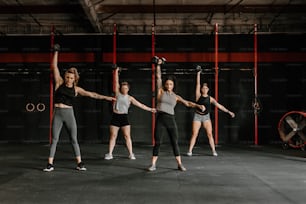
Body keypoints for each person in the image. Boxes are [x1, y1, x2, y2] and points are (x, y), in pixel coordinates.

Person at [43, 44, 115, 172]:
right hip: (58, 113)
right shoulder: (59, 82)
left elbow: (92, 94)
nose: (69, 79)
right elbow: (54, 66)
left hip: (69, 113)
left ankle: (79, 163)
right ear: (65, 76)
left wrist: (107, 98)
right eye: (67, 77)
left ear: (75, 79)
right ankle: (50, 164)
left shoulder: (76, 89)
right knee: (54, 139)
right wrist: (56, 52)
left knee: (74, 139)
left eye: (71, 78)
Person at [147, 58, 205, 172]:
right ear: (165, 84)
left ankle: (179, 164)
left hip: (171, 119)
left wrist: (198, 106)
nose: (169, 85)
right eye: (167, 83)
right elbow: (158, 77)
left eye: (171, 84)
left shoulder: (176, 96)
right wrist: (158, 65)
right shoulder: (160, 92)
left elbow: (187, 103)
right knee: (158, 142)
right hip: (160, 118)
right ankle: (153, 164)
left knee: (174, 142)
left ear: (173, 85)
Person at [104, 67, 156, 160]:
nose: (124, 89)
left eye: (126, 88)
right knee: (113, 136)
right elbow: (116, 82)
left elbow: (140, 105)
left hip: (124, 117)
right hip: (115, 116)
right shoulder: (117, 94)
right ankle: (110, 154)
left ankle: (131, 154)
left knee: (127, 136)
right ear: (120, 88)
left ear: (128, 89)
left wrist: (150, 109)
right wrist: (116, 71)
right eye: (122, 87)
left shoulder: (130, 98)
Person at [187, 70, 235, 157]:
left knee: (209, 134)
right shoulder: (198, 95)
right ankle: (190, 151)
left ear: (208, 89)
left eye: (206, 88)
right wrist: (198, 73)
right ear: (201, 89)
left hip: (206, 117)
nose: (204, 89)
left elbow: (219, 106)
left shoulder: (210, 99)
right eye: (203, 88)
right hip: (197, 116)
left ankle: (213, 151)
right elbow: (197, 84)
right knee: (194, 134)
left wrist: (228, 111)